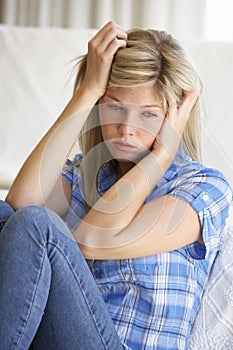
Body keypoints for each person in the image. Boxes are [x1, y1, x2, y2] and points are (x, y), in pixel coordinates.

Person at [0, 21, 232, 350]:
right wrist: (88, 90)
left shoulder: (202, 188)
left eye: (148, 115)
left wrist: (161, 156)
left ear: (175, 117)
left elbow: (93, 239)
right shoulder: (85, 173)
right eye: (114, 107)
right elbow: (17, 207)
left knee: (37, 224)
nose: (126, 130)